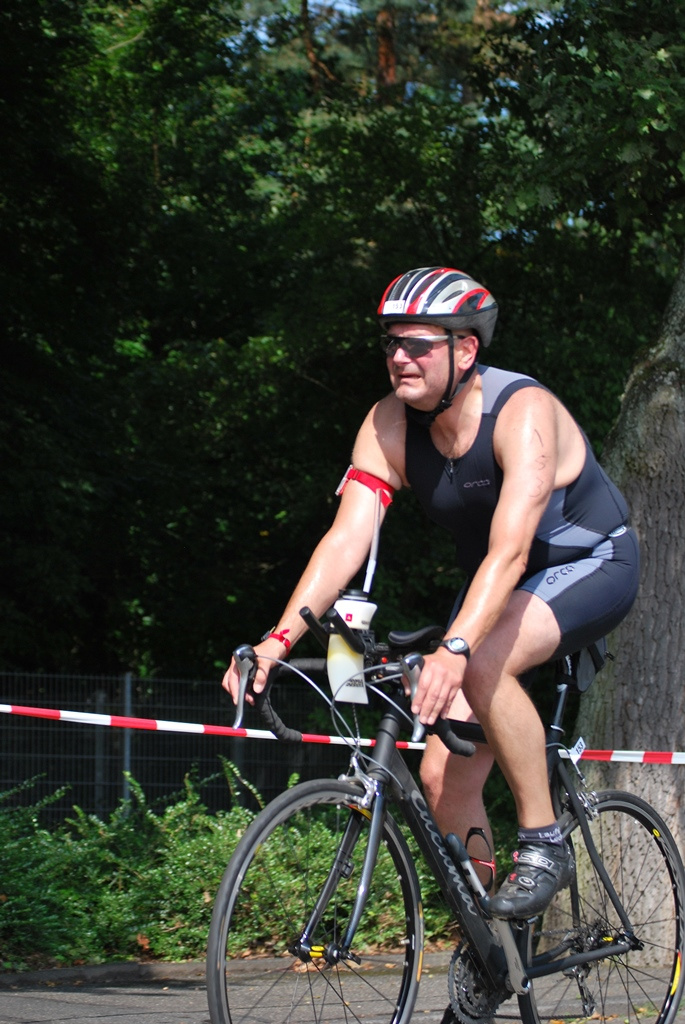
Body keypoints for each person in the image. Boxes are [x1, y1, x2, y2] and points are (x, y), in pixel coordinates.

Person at [222, 266, 639, 924]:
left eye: (417, 343)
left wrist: (455, 649)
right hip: (497, 583)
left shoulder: (521, 412)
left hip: (588, 562)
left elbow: (511, 552)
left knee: (480, 660)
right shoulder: (387, 424)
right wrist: (276, 642)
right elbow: (345, 540)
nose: (399, 357)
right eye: (391, 342)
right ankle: (493, 942)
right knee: (443, 777)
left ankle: (544, 842)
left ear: (464, 349)